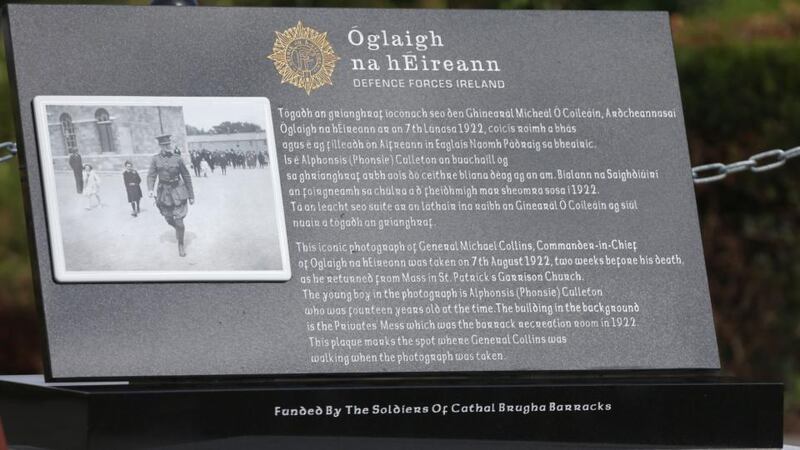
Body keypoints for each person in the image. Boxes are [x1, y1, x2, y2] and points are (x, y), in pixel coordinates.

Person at [147, 135, 194, 257]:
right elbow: (151, 175)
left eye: (169, 144)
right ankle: (178, 230)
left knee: (179, 221)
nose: (168, 147)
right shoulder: (155, 159)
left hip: (178, 191)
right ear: (160, 146)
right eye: (165, 145)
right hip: (164, 193)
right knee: (168, 219)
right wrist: (150, 189)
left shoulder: (177, 158)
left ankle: (181, 244)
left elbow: (186, 176)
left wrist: (191, 195)